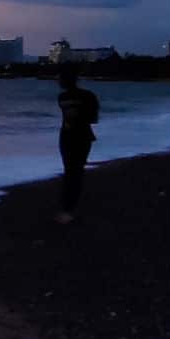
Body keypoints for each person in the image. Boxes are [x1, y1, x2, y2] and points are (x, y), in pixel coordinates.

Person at [54, 63, 99, 224]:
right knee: (74, 172)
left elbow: (91, 118)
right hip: (76, 136)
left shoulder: (64, 98)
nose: (57, 81)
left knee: (72, 172)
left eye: (60, 78)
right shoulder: (85, 96)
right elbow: (94, 118)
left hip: (73, 137)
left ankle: (68, 209)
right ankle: (68, 208)